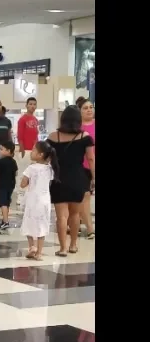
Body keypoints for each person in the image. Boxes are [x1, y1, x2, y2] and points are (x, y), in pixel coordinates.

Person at [47, 105, 94, 256]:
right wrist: (93, 177)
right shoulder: (85, 137)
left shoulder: (53, 137)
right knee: (75, 215)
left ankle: (62, 248)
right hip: (78, 179)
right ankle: (73, 245)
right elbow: (91, 159)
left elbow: (47, 158)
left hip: (59, 179)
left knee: (61, 216)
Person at [21, 141, 59, 260]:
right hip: (44, 200)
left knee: (29, 222)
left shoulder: (31, 168)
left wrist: (28, 182)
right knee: (42, 224)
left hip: (32, 200)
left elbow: (23, 184)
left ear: (40, 154)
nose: (31, 152)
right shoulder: (50, 169)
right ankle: (39, 252)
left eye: (33, 150)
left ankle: (32, 247)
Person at [77, 96, 95, 239]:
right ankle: (89, 229)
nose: (89, 110)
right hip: (81, 167)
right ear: (80, 111)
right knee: (84, 197)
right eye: (85, 108)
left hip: (93, 164)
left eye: (91, 107)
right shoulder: (77, 128)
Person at [0, 141, 18, 229]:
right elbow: (16, 173)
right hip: (11, 185)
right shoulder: (13, 161)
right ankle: (5, 218)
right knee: (7, 202)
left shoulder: (1, 161)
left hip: (3, 184)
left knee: (3, 203)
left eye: (1, 149)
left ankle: (5, 221)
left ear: (8, 151)